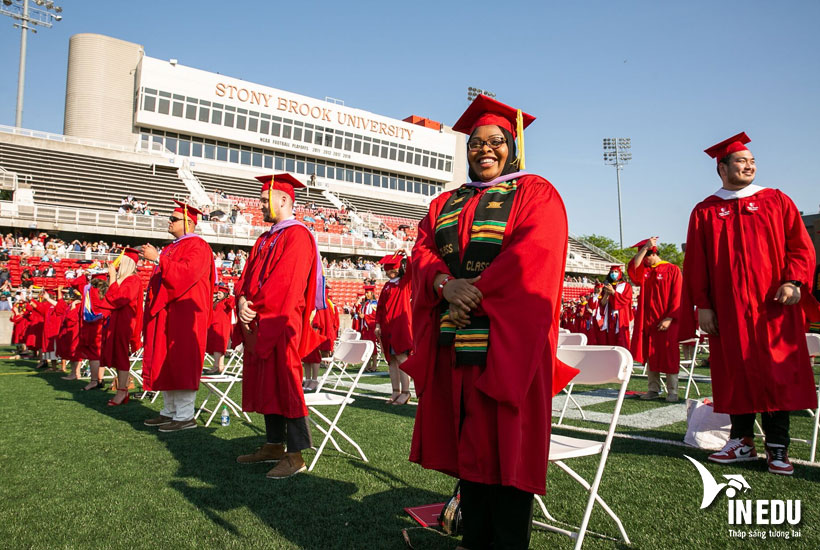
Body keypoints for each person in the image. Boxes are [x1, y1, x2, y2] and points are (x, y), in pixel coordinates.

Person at [401, 95, 577, 549]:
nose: (484, 149)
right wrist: (444, 286)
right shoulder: (445, 202)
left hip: (507, 346)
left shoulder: (535, 193)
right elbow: (421, 253)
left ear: (513, 146)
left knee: (509, 453)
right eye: (475, 142)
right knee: (471, 451)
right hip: (456, 346)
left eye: (496, 141)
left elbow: (532, 259)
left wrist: (468, 296)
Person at [683, 132, 817, 475]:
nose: (749, 166)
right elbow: (696, 263)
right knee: (734, 371)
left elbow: (800, 246)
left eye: (752, 161)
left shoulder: (776, 200)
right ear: (722, 167)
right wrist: (704, 305)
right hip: (728, 310)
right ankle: (741, 440)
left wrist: (794, 279)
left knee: (777, 371)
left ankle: (778, 448)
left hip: (773, 306)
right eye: (741, 161)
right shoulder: (705, 211)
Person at [234, 173, 325, 479]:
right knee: (268, 383)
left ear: (283, 200)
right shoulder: (265, 237)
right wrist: (243, 302)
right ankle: (273, 444)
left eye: (264, 200)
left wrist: (255, 308)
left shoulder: (297, 235)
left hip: (282, 321)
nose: (259, 205)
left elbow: (287, 283)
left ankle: (295, 455)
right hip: (260, 319)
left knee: (286, 385)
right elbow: (246, 279)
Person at [141, 200, 215, 432]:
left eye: (174, 219)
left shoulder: (198, 246)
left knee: (182, 362)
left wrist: (158, 259)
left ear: (189, 223)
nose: (169, 222)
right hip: (169, 312)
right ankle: (169, 412)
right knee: (166, 361)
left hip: (185, 313)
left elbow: (186, 274)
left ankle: (184, 416)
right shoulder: (174, 246)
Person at [627, 237, 683, 402]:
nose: (644, 262)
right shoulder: (646, 272)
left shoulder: (672, 270)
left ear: (653, 254)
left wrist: (670, 318)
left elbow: (678, 296)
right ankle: (653, 389)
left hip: (667, 322)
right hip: (649, 322)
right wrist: (644, 248)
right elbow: (633, 267)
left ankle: (673, 392)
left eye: (646, 257)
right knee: (651, 355)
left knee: (669, 355)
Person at [97, 249, 144, 406]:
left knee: (122, 356)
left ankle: (122, 391)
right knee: (117, 355)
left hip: (125, 322)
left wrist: (112, 278)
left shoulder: (133, 280)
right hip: (118, 321)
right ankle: (121, 389)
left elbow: (117, 299)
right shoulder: (125, 280)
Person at [374, 251, 413, 405]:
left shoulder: (404, 283)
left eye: (392, 268)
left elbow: (412, 269)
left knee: (402, 358)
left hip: (401, 325)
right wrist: (377, 324)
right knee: (392, 361)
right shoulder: (386, 286)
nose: (389, 271)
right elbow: (380, 308)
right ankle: (395, 391)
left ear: (398, 268)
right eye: (387, 269)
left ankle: (406, 392)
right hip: (387, 327)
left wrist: (407, 254)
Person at [72, 273, 110, 390]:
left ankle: (94, 381)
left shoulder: (88, 289)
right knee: (100, 353)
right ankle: (100, 379)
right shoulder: (108, 291)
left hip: (91, 327)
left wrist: (84, 275)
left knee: (94, 355)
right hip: (103, 325)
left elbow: (74, 283)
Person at [598, 265, 633, 348]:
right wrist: (606, 293)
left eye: (616, 272)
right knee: (610, 336)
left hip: (621, 315)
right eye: (611, 272)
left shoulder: (626, 286)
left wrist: (613, 292)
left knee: (621, 337)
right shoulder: (607, 286)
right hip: (610, 316)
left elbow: (626, 300)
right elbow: (602, 304)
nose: (613, 274)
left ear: (620, 273)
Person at [204, 282, 235, 376]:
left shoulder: (226, 301)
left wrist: (228, 295)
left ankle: (217, 367)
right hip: (214, 325)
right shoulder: (216, 301)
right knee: (216, 346)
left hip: (221, 326)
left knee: (218, 346)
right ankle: (219, 366)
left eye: (220, 293)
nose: (218, 294)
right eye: (218, 293)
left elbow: (232, 302)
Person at [56, 286, 83, 381]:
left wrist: (73, 306)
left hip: (74, 331)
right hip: (69, 331)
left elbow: (72, 320)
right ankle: (73, 372)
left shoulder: (78, 305)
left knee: (75, 353)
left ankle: (76, 373)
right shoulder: (70, 305)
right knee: (71, 354)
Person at [358, 283, 379, 372]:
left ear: (372, 293)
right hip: (365, 328)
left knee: (373, 347)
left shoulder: (374, 303)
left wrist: (365, 316)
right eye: (366, 293)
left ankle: (374, 365)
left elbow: (375, 315)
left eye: (368, 293)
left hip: (371, 328)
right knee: (366, 347)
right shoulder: (365, 303)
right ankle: (367, 365)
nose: (366, 295)